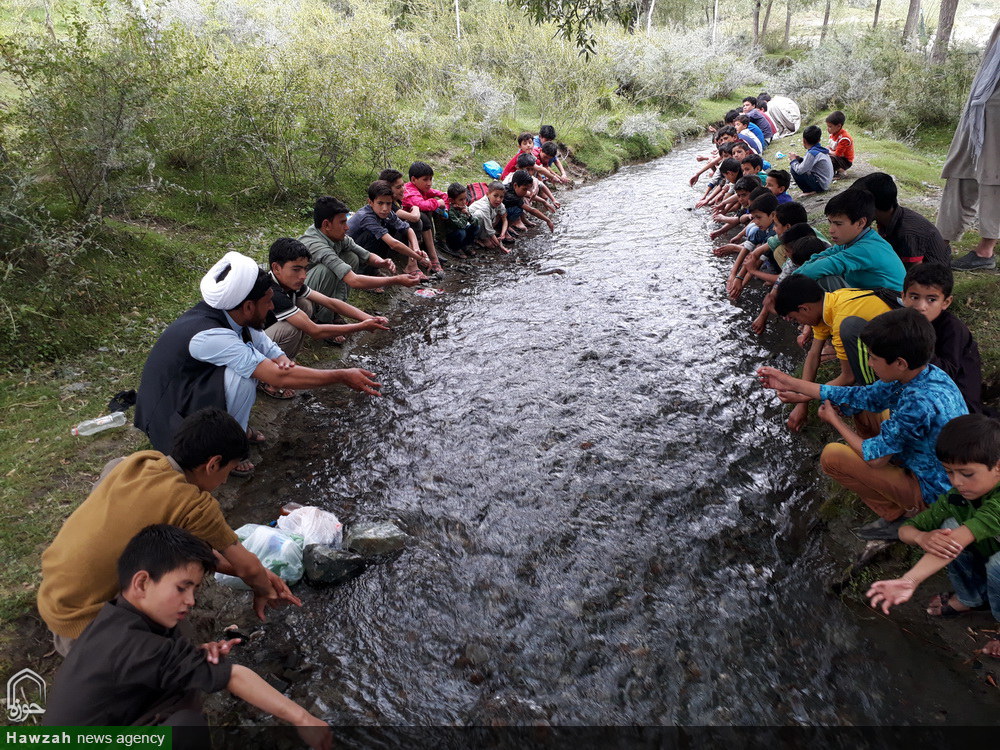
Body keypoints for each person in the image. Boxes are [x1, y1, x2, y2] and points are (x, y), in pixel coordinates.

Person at [38, 409, 301, 656]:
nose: (223, 481)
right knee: (177, 656)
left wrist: (259, 574)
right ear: (213, 464)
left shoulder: (134, 463)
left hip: (54, 597)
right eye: (228, 471)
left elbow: (206, 555)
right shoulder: (193, 504)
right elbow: (248, 567)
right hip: (86, 631)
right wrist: (262, 589)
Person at [42, 524, 333, 747]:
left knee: (186, 687)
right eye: (182, 588)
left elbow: (160, 662)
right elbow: (232, 676)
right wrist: (302, 717)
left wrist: (195, 656)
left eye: (194, 589)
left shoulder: (121, 616)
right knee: (184, 727)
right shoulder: (135, 645)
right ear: (142, 582)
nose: (191, 601)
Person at [135, 251, 383, 461]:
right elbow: (276, 376)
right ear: (248, 307)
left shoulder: (229, 313)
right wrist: (341, 376)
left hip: (191, 387)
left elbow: (262, 341)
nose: (273, 307)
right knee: (243, 378)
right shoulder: (209, 335)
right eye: (267, 302)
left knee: (252, 363)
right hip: (168, 416)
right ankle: (232, 448)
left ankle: (235, 430)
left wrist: (279, 357)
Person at [758, 308, 968, 540]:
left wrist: (836, 421)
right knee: (865, 408)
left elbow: (876, 459)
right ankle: (893, 487)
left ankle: (901, 515)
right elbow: (863, 396)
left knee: (832, 457)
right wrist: (791, 383)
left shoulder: (919, 403)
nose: (869, 364)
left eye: (873, 358)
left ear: (899, 362)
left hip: (936, 490)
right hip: (927, 457)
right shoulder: (924, 373)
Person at [867, 414, 1000, 660]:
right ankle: (972, 598)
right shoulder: (957, 496)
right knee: (948, 525)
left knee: (997, 565)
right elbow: (907, 529)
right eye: (949, 472)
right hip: (989, 543)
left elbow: (960, 538)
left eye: (966, 474)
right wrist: (921, 538)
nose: (957, 482)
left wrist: (910, 580)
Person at [262, 238, 390, 391]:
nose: (303, 276)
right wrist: (360, 326)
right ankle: (271, 381)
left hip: (265, 333)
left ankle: (287, 360)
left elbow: (330, 302)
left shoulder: (288, 282)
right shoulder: (272, 291)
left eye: (305, 269)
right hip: (249, 344)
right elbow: (315, 331)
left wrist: (369, 318)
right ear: (276, 268)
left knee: (304, 304)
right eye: (296, 269)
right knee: (293, 326)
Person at [773, 276, 894, 431]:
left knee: (839, 400)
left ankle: (871, 395)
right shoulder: (829, 303)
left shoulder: (841, 320)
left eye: (796, 319)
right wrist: (801, 404)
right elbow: (813, 355)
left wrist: (804, 396)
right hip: (887, 345)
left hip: (899, 358)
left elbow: (848, 377)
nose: (801, 324)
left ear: (804, 308)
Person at [937, 19, 1000, 270]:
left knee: (993, 177)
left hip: (994, 108)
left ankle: (985, 251)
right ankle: (941, 240)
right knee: (960, 169)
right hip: (980, 104)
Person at [301, 197, 420, 314]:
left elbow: (366, 255)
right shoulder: (317, 245)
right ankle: (323, 318)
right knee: (327, 270)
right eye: (342, 222)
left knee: (351, 256)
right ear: (326, 224)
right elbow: (353, 281)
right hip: (300, 295)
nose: (347, 227)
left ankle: (333, 313)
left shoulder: (331, 233)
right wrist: (396, 280)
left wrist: (381, 262)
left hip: (313, 288)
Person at [902, 263, 983, 414]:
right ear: (903, 297)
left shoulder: (952, 329)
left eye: (931, 299)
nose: (921, 306)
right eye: (914, 297)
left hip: (957, 403)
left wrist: (919, 343)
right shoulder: (900, 321)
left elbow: (947, 373)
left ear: (946, 302)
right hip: (916, 390)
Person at [793, 189, 906, 292]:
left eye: (838, 224)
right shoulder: (850, 240)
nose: (831, 230)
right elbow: (819, 258)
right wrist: (791, 279)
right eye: (830, 222)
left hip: (890, 306)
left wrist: (786, 285)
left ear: (861, 223)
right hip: (872, 299)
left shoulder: (867, 248)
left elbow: (824, 266)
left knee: (825, 281)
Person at [852, 172, 950, 267]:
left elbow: (915, 274)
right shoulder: (887, 219)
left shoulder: (907, 232)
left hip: (929, 279)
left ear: (873, 206)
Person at [348, 180, 430, 278]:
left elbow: (408, 229)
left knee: (388, 229)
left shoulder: (389, 213)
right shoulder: (366, 217)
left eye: (388, 203)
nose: (385, 208)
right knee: (376, 235)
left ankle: (372, 270)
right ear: (370, 202)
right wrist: (418, 258)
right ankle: (362, 273)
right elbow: (393, 244)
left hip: (364, 250)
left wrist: (416, 249)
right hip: (350, 252)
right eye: (380, 203)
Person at [402, 161, 450, 277]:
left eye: (430, 179)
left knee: (432, 211)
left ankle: (434, 251)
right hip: (406, 221)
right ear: (414, 180)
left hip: (417, 220)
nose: (429, 183)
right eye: (425, 179)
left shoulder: (422, 188)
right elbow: (422, 205)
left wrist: (445, 208)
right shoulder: (409, 191)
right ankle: (429, 257)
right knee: (425, 215)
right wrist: (438, 203)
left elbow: (443, 195)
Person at [438, 183, 480, 258]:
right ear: (452, 200)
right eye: (461, 199)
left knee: (476, 227)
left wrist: (469, 215)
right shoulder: (450, 211)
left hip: (461, 230)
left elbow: (476, 222)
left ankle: (465, 245)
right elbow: (460, 225)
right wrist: (464, 214)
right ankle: (456, 248)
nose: (464, 202)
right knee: (461, 232)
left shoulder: (463, 207)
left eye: (465, 198)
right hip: (452, 234)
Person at [788, 125, 833, 195]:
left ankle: (808, 190)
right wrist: (799, 159)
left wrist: (793, 160)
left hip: (820, 185)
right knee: (798, 164)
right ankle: (813, 189)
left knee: (793, 169)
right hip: (825, 183)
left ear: (804, 140)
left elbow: (799, 171)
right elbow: (809, 164)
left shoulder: (812, 153)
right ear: (819, 140)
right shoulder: (819, 150)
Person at [469, 180, 509, 251]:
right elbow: (489, 229)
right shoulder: (485, 206)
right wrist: (501, 246)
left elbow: (504, 219)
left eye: (501, 197)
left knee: (497, 215)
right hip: (469, 228)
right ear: (488, 194)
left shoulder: (499, 204)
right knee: (479, 215)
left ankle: (485, 237)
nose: (498, 199)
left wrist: (503, 234)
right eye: (495, 196)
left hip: (484, 225)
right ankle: (480, 238)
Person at [825, 111, 854, 175]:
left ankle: (840, 170)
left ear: (838, 126)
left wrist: (828, 151)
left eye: (830, 126)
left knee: (828, 159)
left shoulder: (844, 138)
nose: (828, 129)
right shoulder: (834, 133)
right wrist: (829, 148)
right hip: (837, 157)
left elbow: (838, 154)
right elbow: (834, 148)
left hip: (845, 161)